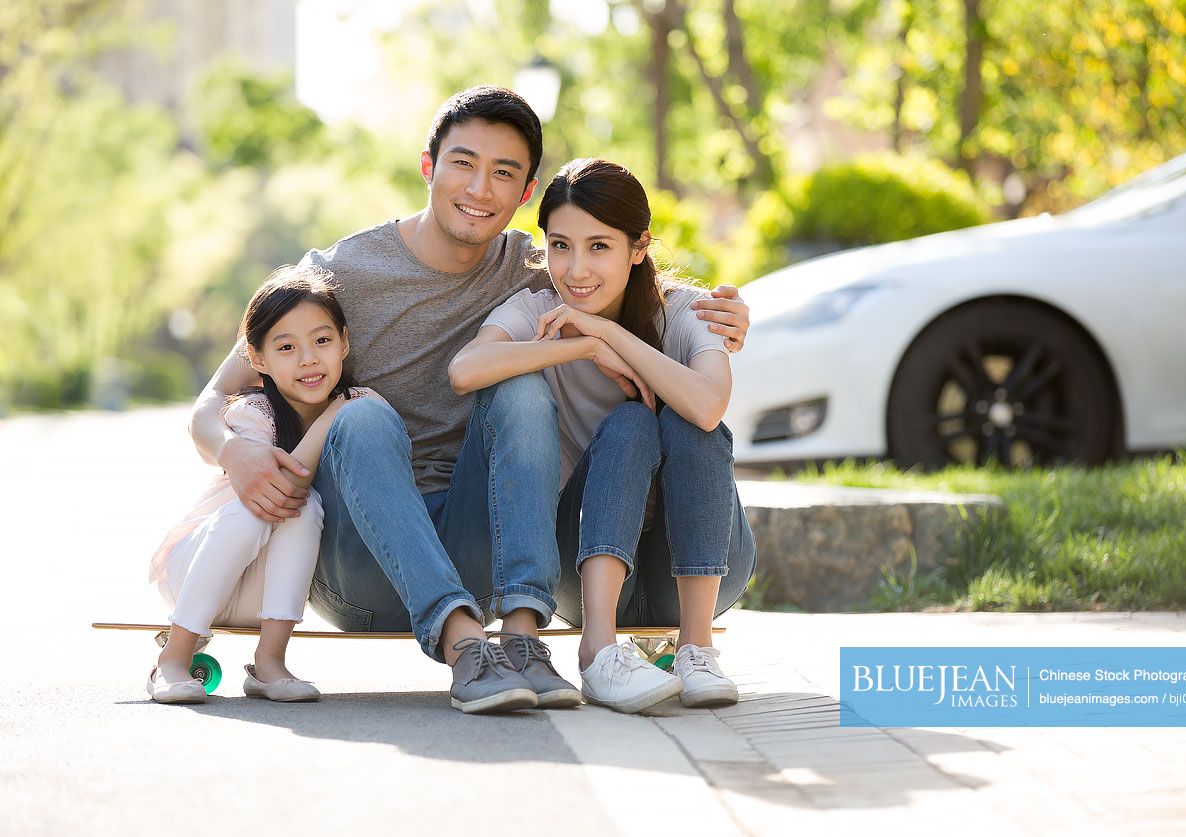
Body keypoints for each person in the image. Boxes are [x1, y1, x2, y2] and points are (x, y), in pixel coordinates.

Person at [189, 86, 752, 714]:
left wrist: (719, 316)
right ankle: (462, 647)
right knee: (364, 412)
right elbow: (212, 400)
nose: (480, 189)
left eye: (503, 173)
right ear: (429, 167)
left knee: (517, 385)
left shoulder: (534, 267)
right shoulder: (339, 273)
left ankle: (519, 641)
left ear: (526, 193)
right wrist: (232, 451)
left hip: (478, 552)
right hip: (361, 555)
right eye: (463, 163)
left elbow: (616, 270)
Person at [449, 158, 754, 714]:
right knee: (632, 422)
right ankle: (600, 650)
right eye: (560, 245)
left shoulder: (684, 311)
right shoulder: (538, 312)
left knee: (693, 423)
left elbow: (710, 406)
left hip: (694, 563)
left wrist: (610, 332)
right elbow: (465, 370)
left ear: (639, 248)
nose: (575, 268)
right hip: (584, 572)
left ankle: (697, 647)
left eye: (599, 246)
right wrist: (583, 346)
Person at [150, 266, 374, 704]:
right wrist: (331, 417)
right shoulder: (251, 414)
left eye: (322, 341)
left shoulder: (364, 407)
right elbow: (283, 483)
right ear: (257, 359)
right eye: (286, 347)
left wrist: (338, 413)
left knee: (303, 507)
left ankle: (270, 664)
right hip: (193, 572)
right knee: (277, 503)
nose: (309, 359)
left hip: (263, 592)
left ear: (344, 343)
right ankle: (172, 661)